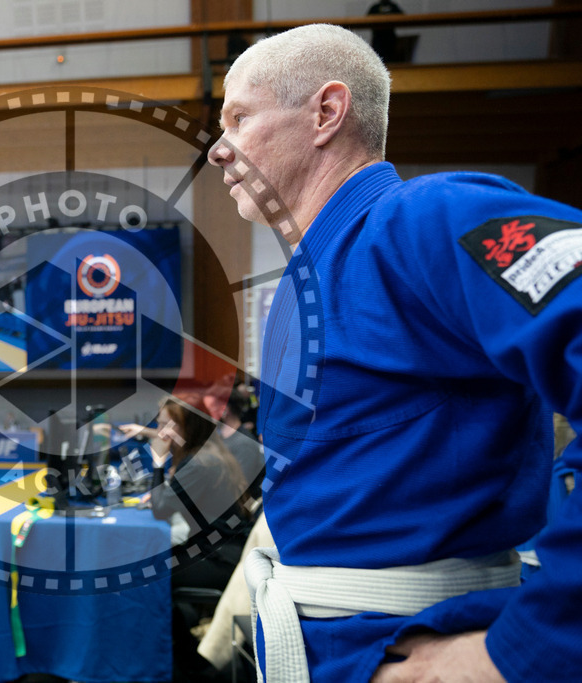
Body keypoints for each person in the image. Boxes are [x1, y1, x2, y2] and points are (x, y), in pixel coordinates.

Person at [207, 23, 582, 682]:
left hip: (409, 643)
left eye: (239, 117)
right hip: (318, 645)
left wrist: (527, 646)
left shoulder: (429, 218)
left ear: (326, 112)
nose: (217, 148)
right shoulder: (309, 278)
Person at [120, 393, 251, 680]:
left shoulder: (201, 463)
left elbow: (160, 509)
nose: (163, 432)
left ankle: (181, 663)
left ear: (189, 428)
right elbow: (167, 502)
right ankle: (186, 656)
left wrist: (157, 462)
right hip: (222, 551)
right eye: (161, 424)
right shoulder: (207, 452)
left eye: (169, 426)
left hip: (221, 560)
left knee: (142, 576)